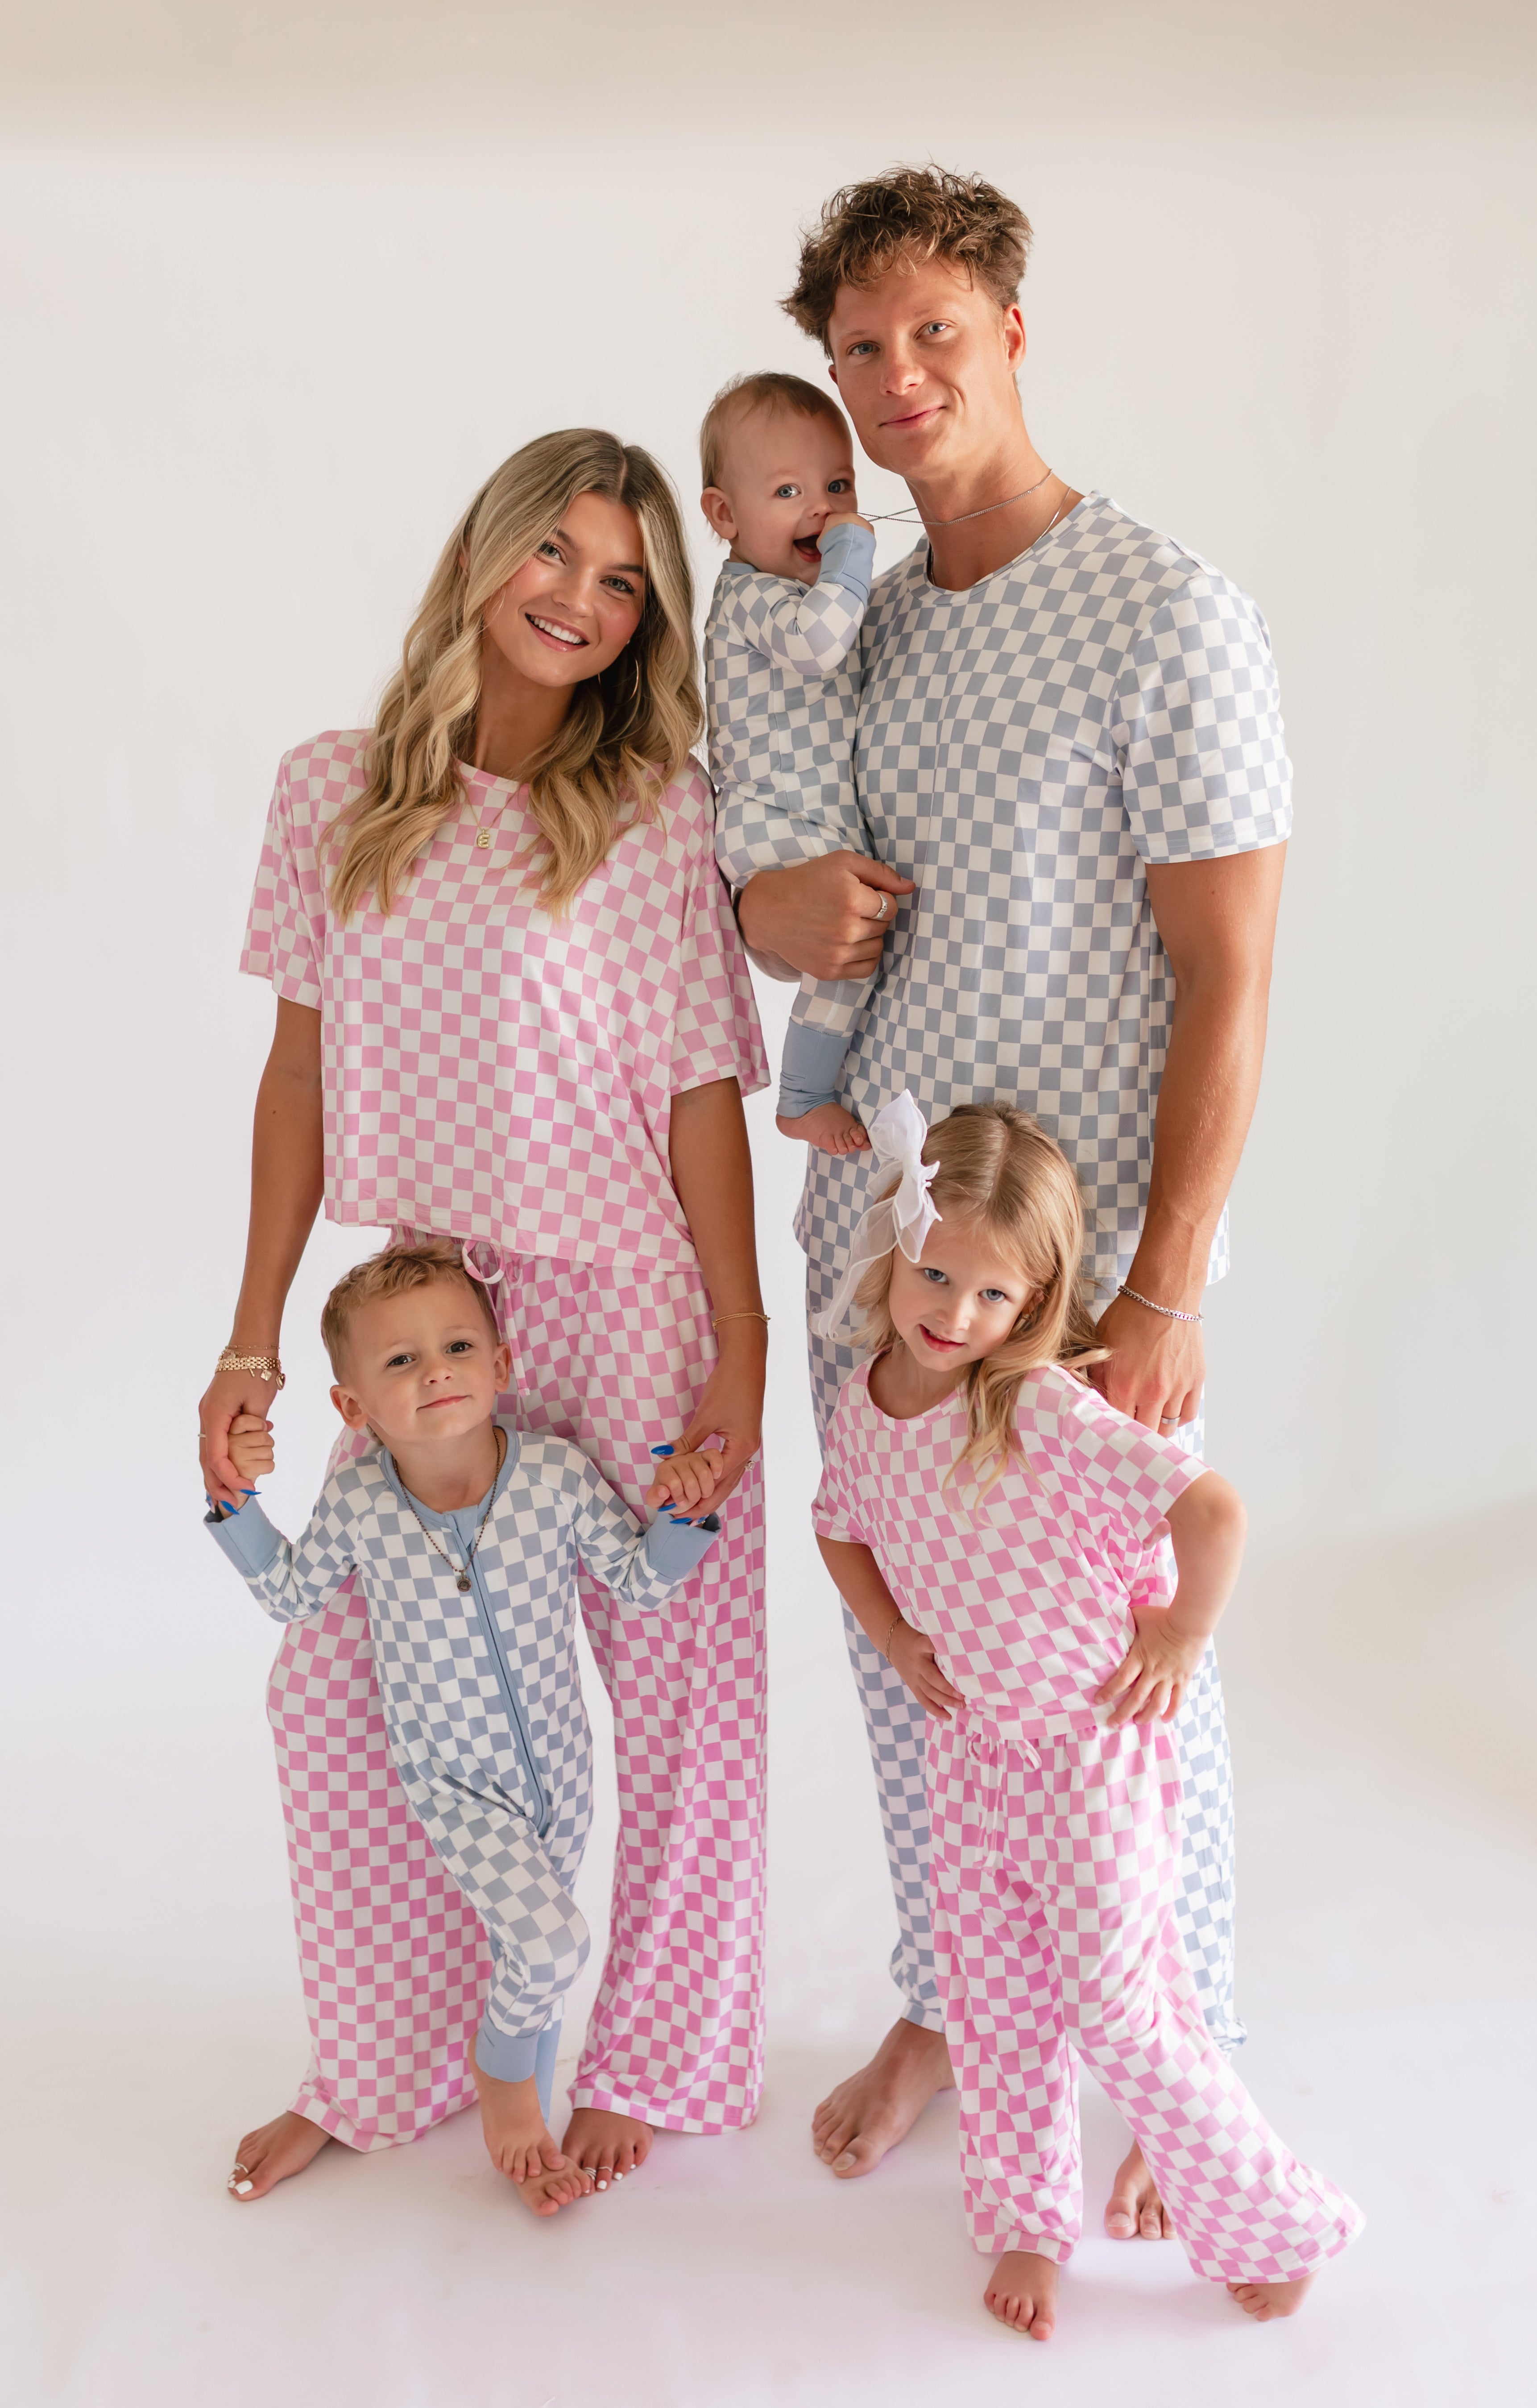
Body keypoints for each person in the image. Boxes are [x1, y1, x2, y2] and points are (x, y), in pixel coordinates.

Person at [720, 166, 1290, 2237]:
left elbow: (1232, 973)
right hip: (884, 1250)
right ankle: (957, 2001)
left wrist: (1168, 1284)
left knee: (1128, 1677)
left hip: (1076, 1271)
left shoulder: (1166, 610)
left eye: (933, 332)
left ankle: (1174, 2042)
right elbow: (776, 883)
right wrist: (764, 906)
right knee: (925, 1666)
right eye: (858, 346)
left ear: (1014, 331)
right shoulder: (848, 621)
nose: (895, 377)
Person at [199, 429, 771, 2202]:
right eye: (555, 555)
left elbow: (700, 1092)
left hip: (631, 1287)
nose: (581, 600)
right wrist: (250, 1337)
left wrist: (740, 1346)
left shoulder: (661, 806)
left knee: (678, 1691)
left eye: (624, 583)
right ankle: (384, 2064)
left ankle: (653, 2055)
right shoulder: (330, 790)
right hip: (437, 1295)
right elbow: (295, 1074)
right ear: (483, 553)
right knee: (341, 1693)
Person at [813, 1096, 1362, 2334]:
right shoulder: (864, 1403)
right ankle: (1025, 2221)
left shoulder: (1038, 1410)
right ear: (895, 1241)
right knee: (994, 2003)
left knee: (1123, 2011)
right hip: (969, 1762)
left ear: (1032, 1304)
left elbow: (1210, 1509)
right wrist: (891, 1632)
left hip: (1084, 1762)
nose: (954, 1312)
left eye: (992, 1295)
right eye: (935, 1272)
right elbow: (837, 1524)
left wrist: (1178, 1636)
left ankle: (1272, 2220)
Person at [208, 1242, 726, 2215]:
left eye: (455, 1346)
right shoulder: (361, 1501)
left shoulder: (556, 1476)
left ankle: (530, 2141)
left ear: (503, 1364)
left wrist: (685, 1514)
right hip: (452, 1782)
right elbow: (290, 1592)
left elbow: (636, 1581)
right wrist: (235, 1502)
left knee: (533, 1954)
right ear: (353, 1406)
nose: (436, 1370)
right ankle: (507, 2092)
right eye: (400, 1360)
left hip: (561, 1772)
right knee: (552, 1943)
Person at [699, 371, 876, 1157]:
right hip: (770, 818)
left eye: (837, 486)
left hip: (799, 816)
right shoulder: (750, 598)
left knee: (854, 949)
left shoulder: (799, 595)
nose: (820, 509)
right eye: (786, 491)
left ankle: (809, 1090)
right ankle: (802, 1096)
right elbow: (819, 642)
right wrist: (853, 551)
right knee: (851, 945)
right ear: (724, 516)